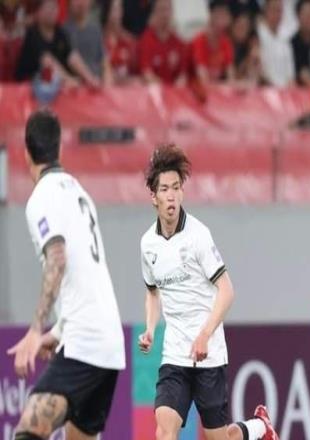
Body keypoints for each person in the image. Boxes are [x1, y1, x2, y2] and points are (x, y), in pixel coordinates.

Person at [139, 144, 279, 440]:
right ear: (153, 197)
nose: (171, 195)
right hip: (175, 355)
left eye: (176, 188)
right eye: (164, 189)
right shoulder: (147, 244)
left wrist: (205, 334)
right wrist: (150, 328)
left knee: (219, 437)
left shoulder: (198, 236)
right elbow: (152, 292)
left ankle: (259, 426)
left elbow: (226, 290)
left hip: (209, 355)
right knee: (164, 432)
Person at [6, 109, 126, 440]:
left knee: (29, 432)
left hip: (85, 343)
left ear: (26, 153)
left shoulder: (41, 197)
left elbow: (58, 259)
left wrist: (35, 329)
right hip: (107, 343)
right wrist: (57, 331)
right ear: (59, 149)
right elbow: (83, 277)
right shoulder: (78, 192)